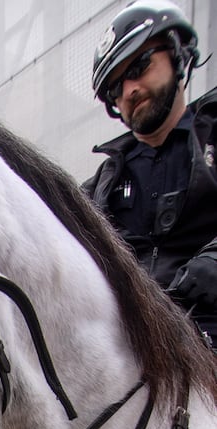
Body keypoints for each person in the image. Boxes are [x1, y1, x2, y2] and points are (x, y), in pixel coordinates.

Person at [85, 1, 217, 349]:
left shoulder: (211, 137)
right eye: (116, 87)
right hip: (138, 362)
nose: (129, 90)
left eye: (139, 66)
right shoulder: (99, 189)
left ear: (177, 54)